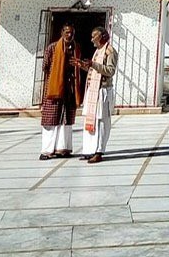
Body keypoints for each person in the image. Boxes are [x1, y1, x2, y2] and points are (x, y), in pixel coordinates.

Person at [40, 24, 82, 160]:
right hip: (54, 88)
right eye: (67, 32)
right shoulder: (52, 48)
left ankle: (62, 148)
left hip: (69, 88)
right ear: (62, 32)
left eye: (72, 32)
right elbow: (45, 66)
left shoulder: (76, 48)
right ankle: (47, 150)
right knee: (50, 119)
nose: (70, 35)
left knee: (66, 119)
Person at [78, 26, 118, 164]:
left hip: (103, 90)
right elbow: (93, 69)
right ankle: (89, 149)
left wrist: (93, 64)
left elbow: (110, 71)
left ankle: (99, 151)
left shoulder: (109, 51)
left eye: (94, 36)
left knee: (101, 122)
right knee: (91, 120)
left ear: (102, 37)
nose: (91, 39)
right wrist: (82, 65)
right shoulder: (97, 51)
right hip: (92, 90)